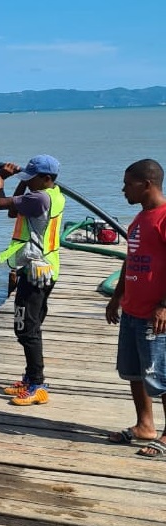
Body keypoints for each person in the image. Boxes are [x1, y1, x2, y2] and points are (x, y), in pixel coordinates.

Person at [0, 154, 66, 405]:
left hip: (36, 272)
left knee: (26, 329)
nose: (28, 183)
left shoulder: (39, 198)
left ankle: (37, 385)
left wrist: (1, 177)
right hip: (46, 268)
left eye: (31, 179)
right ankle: (30, 378)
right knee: (31, 326)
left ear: (46, 178)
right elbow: (14, 211)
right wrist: (22, 180)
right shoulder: (52, 195)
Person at [105, 159, 166, 456]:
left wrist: (164, 306)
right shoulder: (139, 219)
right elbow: (130, 260)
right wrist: (117, 297)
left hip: (156, 314)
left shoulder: (164, 217)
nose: (123, 189)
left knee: (160, 375)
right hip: (132, 309)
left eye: (128, 183)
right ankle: (145, 425)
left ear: (147, 184)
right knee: (134, 372)